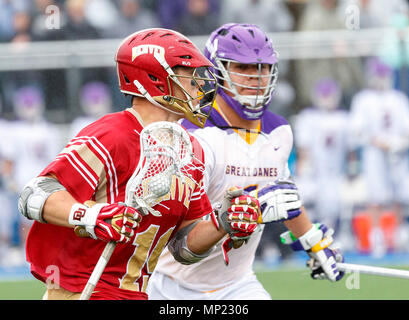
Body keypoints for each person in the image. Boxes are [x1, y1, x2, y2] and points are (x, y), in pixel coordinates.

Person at [17, 28, 258, 300]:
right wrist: (90, 216)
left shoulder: (191, 150)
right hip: (82, 291)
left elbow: (183, 249)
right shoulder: (113, 134)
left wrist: (223, 222)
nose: (199, 86)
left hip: (137, 294)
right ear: (155, 78)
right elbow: (34, 194)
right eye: (189, 76)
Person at [147, 23, 344, 300]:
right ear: (216, 73)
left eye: (262, 68)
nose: (256, 77)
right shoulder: (193, 135)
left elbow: (284, 197)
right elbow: (181, 245)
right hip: (170, 285)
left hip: (237, 284)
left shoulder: (278, 132)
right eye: (243, 68)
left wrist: (313, 241)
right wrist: (248, 211)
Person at [349, 57, 409, 256]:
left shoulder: (398, 98)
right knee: (375, 196)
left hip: (396, 153)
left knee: (399, 195)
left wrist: (398, 143)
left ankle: (398, 236)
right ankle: (377, 237)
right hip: (374, 153)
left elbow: (406, 128)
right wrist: (379, 143)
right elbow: (358, 131)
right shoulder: (363, 99)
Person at [293, 78, 351, 231]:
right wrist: (303, 167)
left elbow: (351, 149)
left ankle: (329, 236)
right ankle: (306, 235)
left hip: (335, 172)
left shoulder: (343, 118)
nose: (326, 100)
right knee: (305, 196)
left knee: (332, 205)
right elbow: (303, 148)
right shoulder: (308, 117)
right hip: (313, 170)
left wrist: (352, 169)